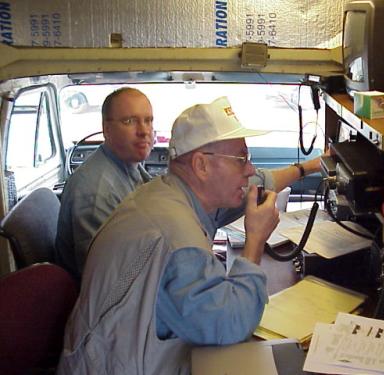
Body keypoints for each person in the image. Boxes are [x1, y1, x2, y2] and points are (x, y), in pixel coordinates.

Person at [57, 96, 322, 375]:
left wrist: (307, 168)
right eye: (241, 159)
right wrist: (255, 240)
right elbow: (230, 325)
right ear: (201, 166)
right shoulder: (178, 241)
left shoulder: (168, 193)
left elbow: (254, 184)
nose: (250, 169)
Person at [55, 87, 155, 283]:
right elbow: (107, 279)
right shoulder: (96, 192)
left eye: (148, 120)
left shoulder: (129, 166)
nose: (144, 131)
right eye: (129, 121)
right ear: (106, 129)